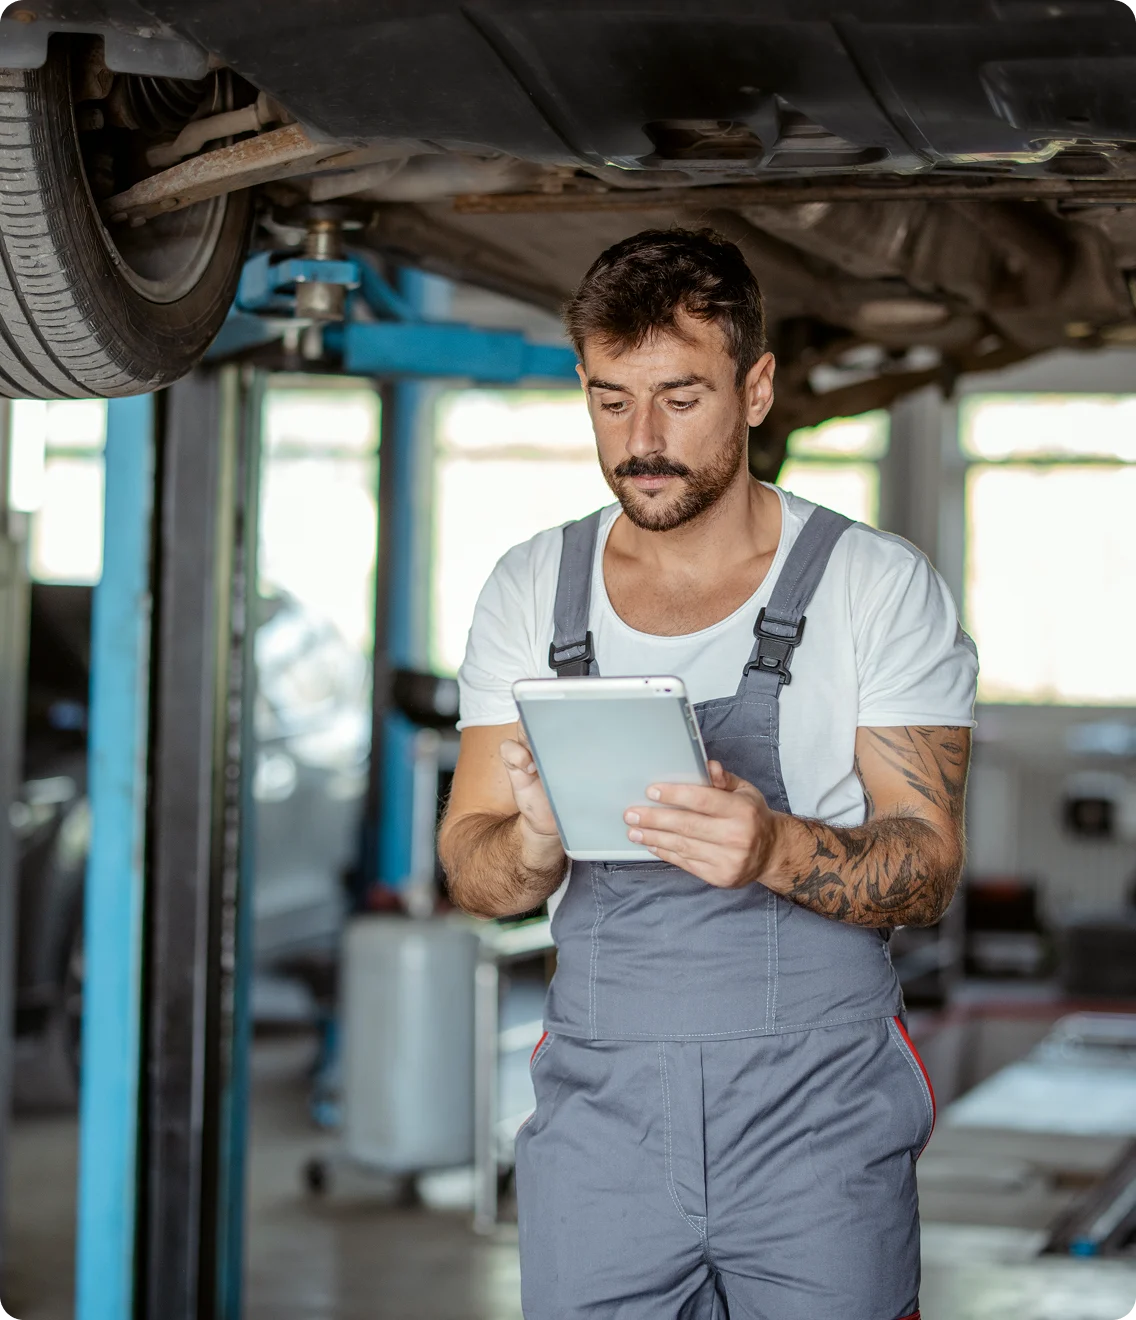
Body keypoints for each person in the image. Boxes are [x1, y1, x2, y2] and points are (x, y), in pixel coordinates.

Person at [439, 228, 977, 1320]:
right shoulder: (530, 588)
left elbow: (924, 869)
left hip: (815, 1117)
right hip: (601, 1117)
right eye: (609, 400)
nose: (641, 441)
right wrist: (536, 843)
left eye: (680, 399)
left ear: (757, 387)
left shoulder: (872, 587)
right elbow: (471, 865)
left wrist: (773, 847)